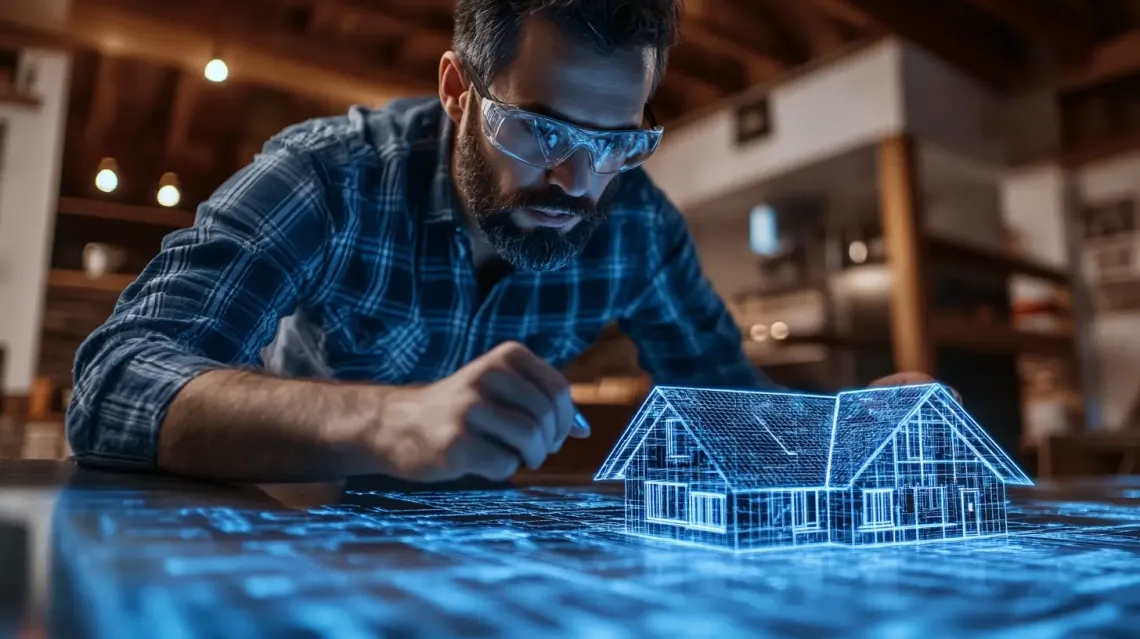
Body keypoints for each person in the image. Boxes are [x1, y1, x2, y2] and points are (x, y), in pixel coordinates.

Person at [66, 0, 931, 483]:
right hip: (291, 522)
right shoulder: (331, 177)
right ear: (456, 88)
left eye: (615, 141)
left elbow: (731, 412)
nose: (577, 181)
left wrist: (852, 434)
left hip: (486, 570)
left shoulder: (636, 227)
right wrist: (387, 420)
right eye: (541, 131)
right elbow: (111, 384)